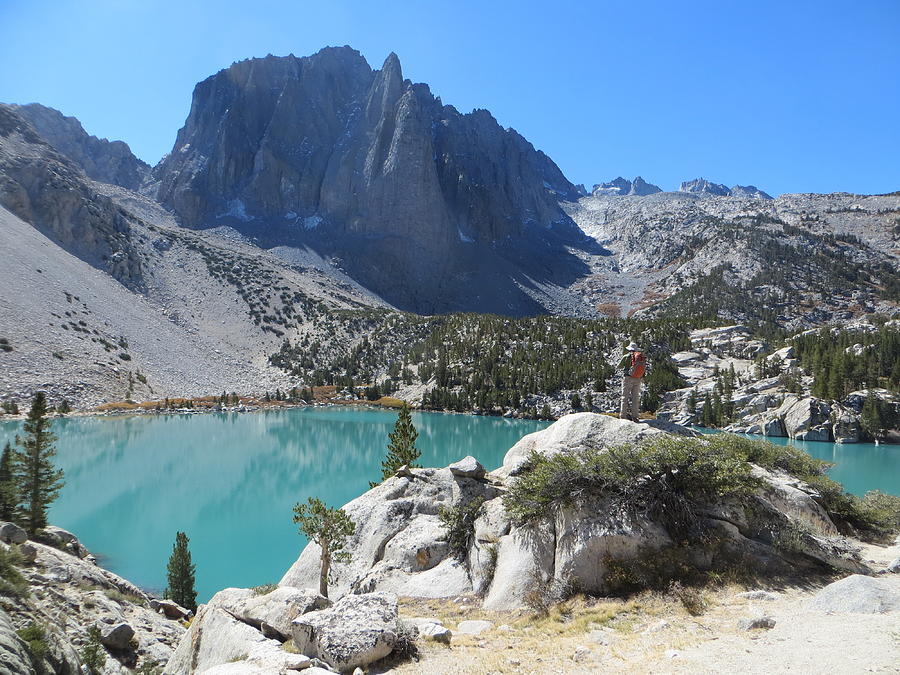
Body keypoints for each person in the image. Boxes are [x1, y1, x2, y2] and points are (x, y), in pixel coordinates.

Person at [618, 341, 647, 422]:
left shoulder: (626, 356)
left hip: (628, 378)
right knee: (635, 398)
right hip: (638, 378)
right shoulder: (640, 357)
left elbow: (619, 366)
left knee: (625, 397)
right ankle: (635, 417)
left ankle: (623, 416)